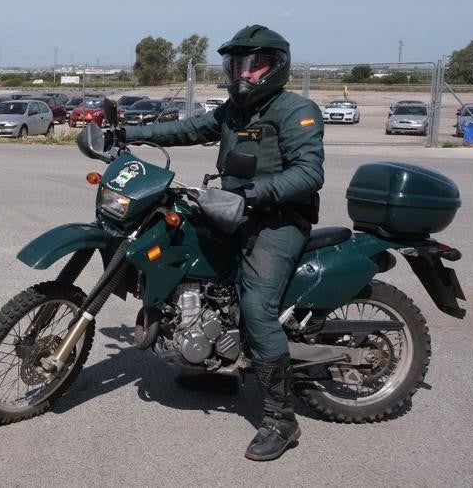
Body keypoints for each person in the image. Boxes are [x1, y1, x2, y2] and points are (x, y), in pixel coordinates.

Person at [117, 24, 324, 461]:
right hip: (231, 212)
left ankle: (280, 419)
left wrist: (255, 193)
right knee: (196, 273)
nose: (243, 74)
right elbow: (187, 129)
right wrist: (128, 135)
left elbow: (309, 173)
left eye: (254, 65)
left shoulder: (295, 110)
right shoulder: (233, 111)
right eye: (236, 65)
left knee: (256, 308)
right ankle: (214, 366)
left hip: (278, 221)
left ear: (277, 67)